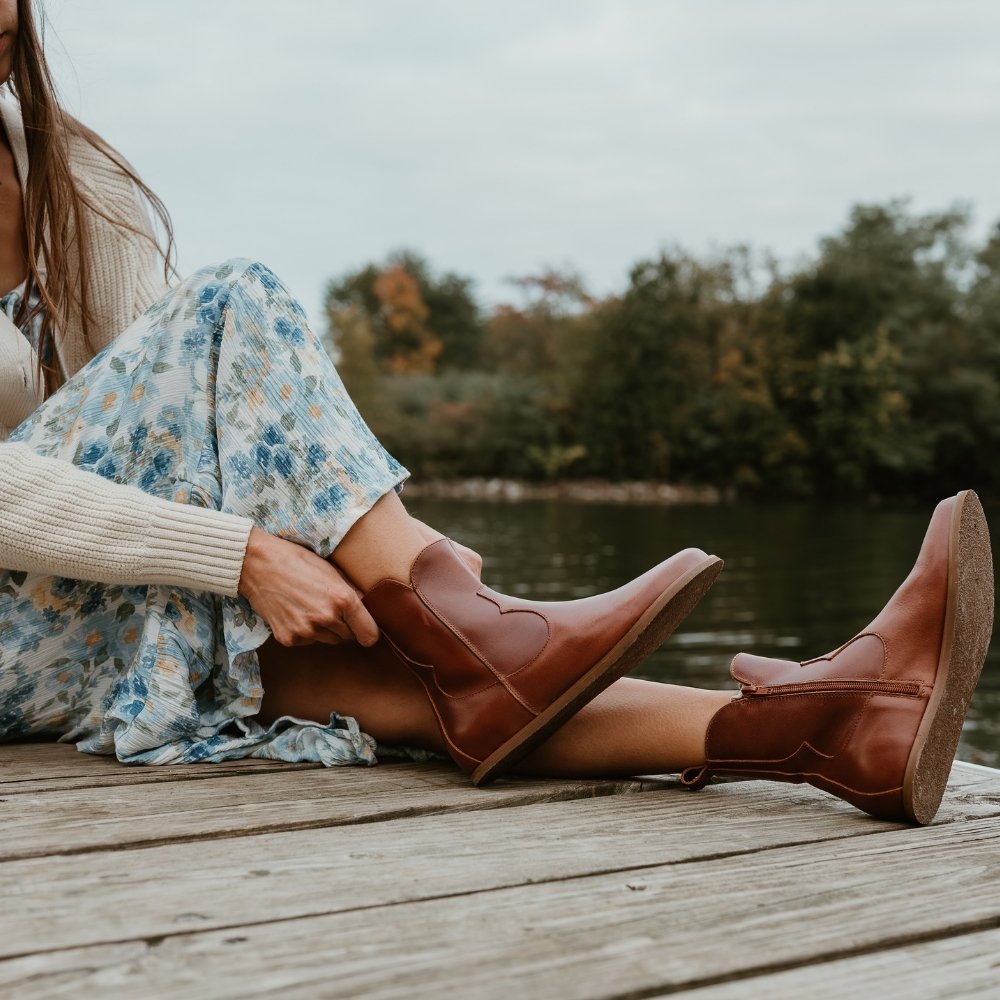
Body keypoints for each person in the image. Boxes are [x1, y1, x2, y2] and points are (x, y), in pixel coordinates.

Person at [0, 0, 992, 824]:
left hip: (61, 609)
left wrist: (369, 544)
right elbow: (199, 357)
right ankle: (471, 622)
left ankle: (836, 731)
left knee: (404, 673)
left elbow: (183, 410)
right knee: (234, 300)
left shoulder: (55, 169)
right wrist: (244, 558)